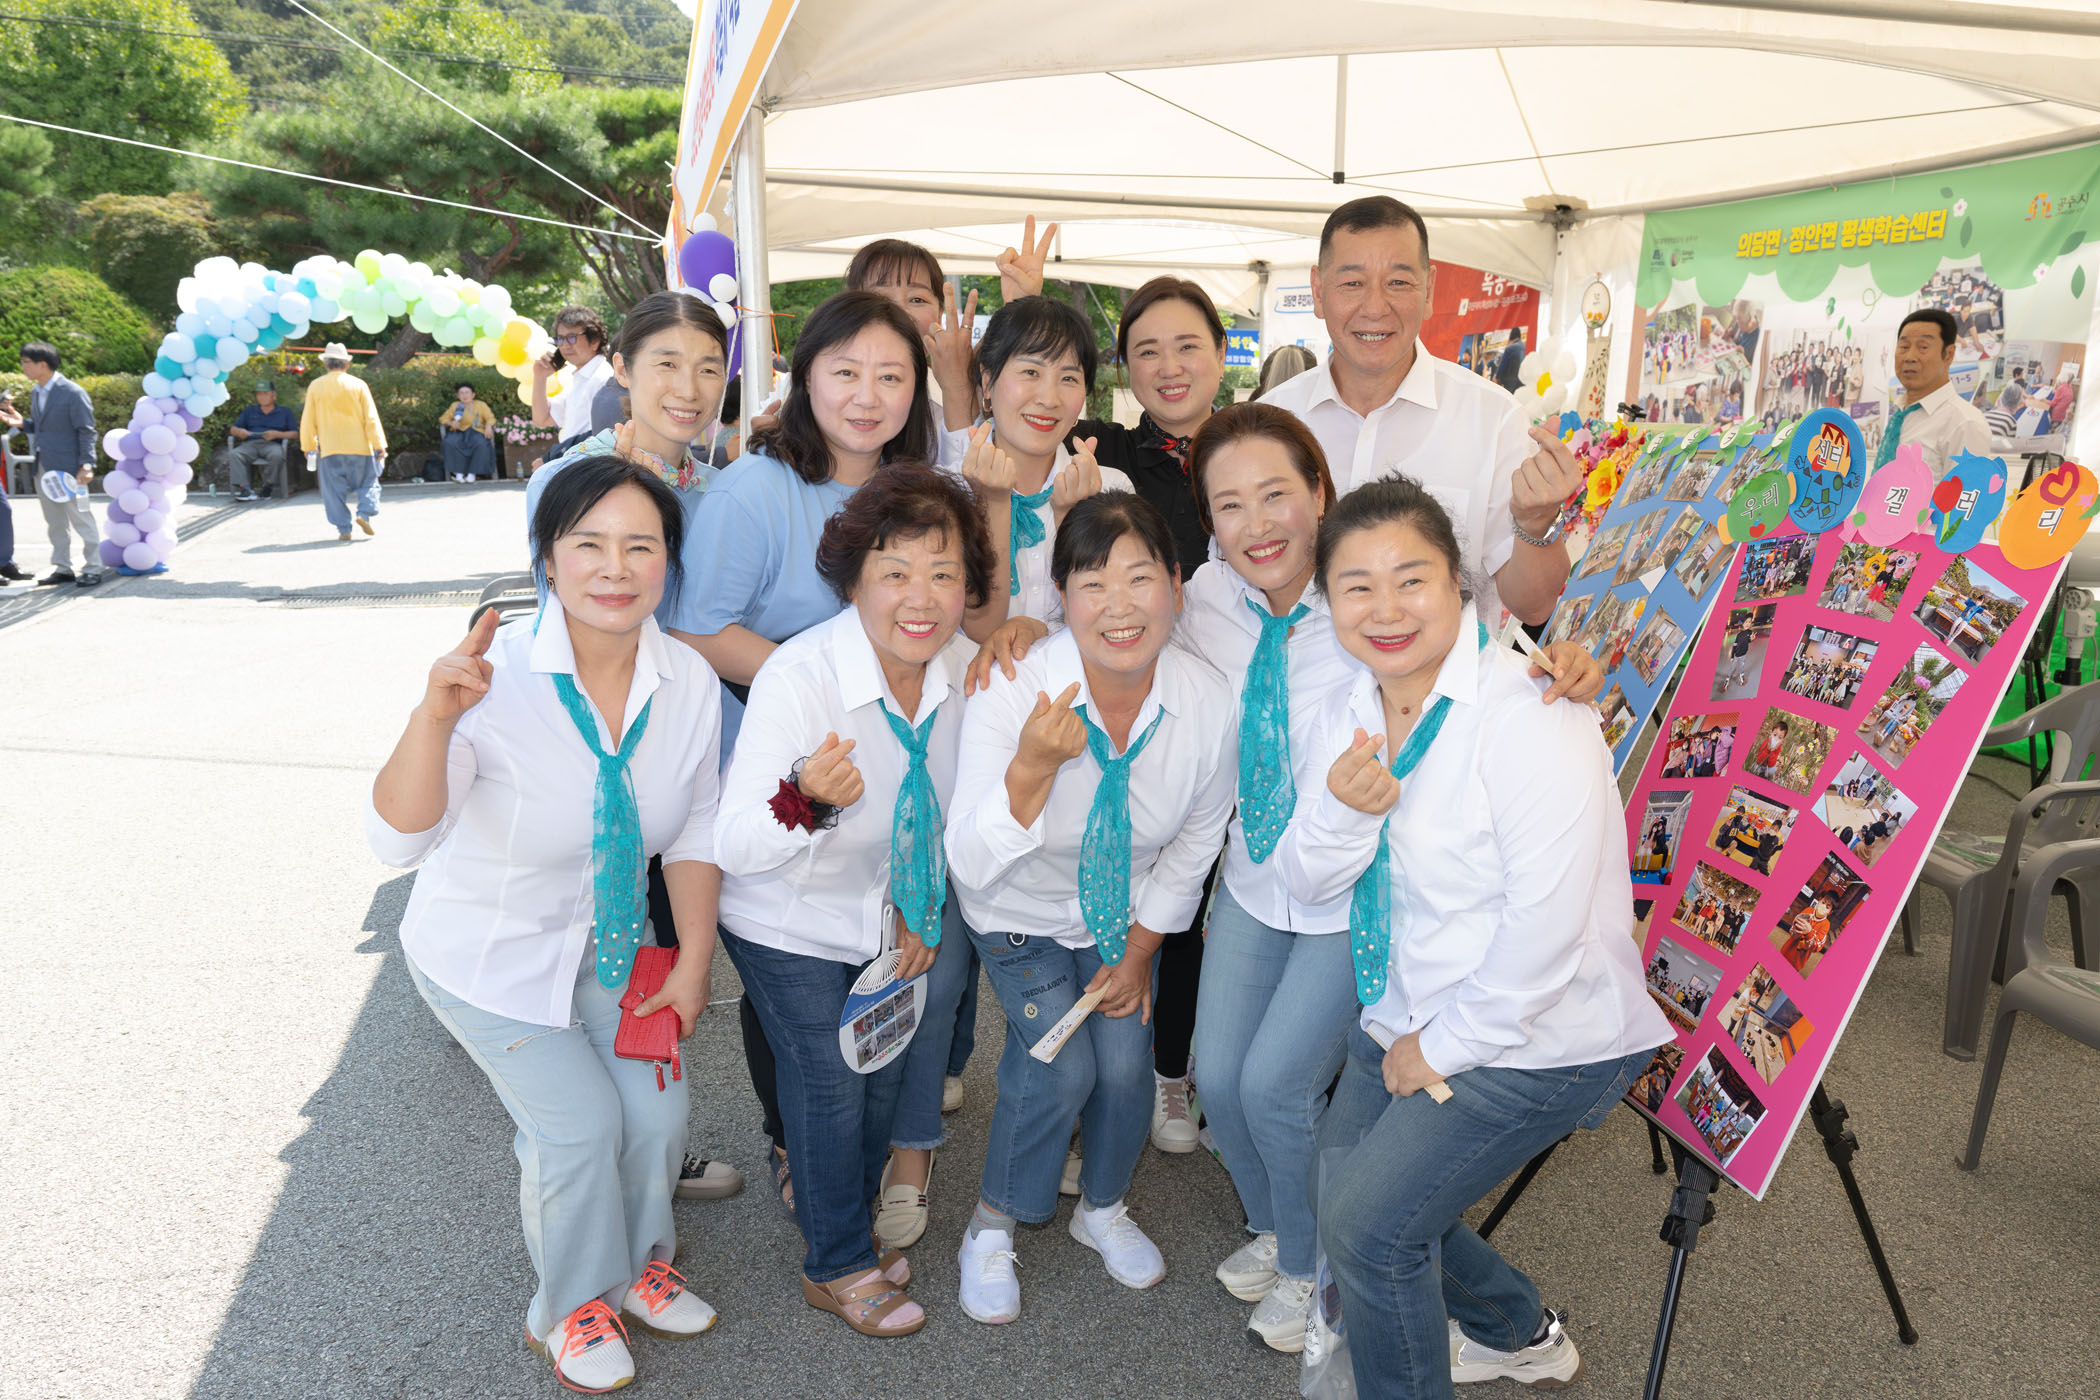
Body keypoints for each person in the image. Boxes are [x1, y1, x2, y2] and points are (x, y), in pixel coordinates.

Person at [1274, 474, 1673, 1399]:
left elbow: (1548, 931)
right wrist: (1342, 814)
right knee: (1344, 1192)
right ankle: (1516, 1331)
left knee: (1370, 1229)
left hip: (1545, 1032)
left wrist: (1440, 1049)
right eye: (1357, 587)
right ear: (1327, 602)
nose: (1386, 610)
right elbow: (1305, 881)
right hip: (1410, 1004)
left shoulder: (1531, 712)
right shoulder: (1350, 709)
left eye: (1411, 579)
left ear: (1458, 583)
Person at [366, 455, 725, 1393]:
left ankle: (638, 1265)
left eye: (641, 545)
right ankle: (569, 1308)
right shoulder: (497, 677)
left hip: (611, 946)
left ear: (668, 561)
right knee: (577, 1130)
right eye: (588, 544)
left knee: (657, 1117)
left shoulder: (687, 679)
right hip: (488, 959)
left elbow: (695, 827)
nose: (615, 568)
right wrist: (433, 719)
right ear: (548, 558)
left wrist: (692, 961)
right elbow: (397, 841)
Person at [669, 290, 994, 1222]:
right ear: (803, 377)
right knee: (800, 995)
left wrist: (913, 668)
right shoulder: (754, 489)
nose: (867, 395)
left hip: (886, 752)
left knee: (881, 972)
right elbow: (694, 628)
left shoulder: (919, 484)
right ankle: (799, 1148)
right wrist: (832, 682)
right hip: (773, 746)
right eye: (845, 372)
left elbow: (966, 608)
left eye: (892, 376)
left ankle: (859, 1150)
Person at [712, 467, 994, 1336]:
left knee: (883, 1072)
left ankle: (847, 1221)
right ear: (852, 580)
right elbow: (736, 845)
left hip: (887, 916)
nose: (921, 596)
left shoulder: (966, 673)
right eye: (894, 571)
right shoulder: (800, 675)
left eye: (943, 573)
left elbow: (954, 814)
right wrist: (807, 798)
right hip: (784, 914)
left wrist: (918, 903)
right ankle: (834, 1264)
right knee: (830, 1080)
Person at [945, 492, 1236, 1325]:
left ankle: (1101, 1206)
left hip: (1122, 915)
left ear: (1175, 585)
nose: (1119, 606)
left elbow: (1197, 843)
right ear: (1061, 599)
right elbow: (969, 857)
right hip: (1015, 910)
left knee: (1124, 1064)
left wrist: (1139, 954)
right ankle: (991, 1224)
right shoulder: (1014, 687)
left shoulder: (1207, 701)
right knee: (1059, 1064)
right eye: (1093, 584)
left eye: (1140, 578)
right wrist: (1032, 769)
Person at [1258, 196, 1587, 630]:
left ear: (1429, 291)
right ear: (1318, 291)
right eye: (1352, 283)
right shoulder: (1269, 424)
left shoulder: (1493, 419)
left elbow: (1533, 607)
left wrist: (1537, 523)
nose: (1375, 307)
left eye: (1398, 282)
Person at [1074, 276, 1230, 578]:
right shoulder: (1092, 451)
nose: (1170, 369)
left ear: (1220, 354)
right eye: (1148, 352)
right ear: (1127, 365)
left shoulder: (1259, 457)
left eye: (1187, 346)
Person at [1, 342, 101, 586]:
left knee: (81, 518)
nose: (23, 367)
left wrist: (87, 464)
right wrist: (21, 423)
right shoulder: (37, 391)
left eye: (26, 362)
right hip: (43, 467)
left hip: (71, 468)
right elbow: (41, 426)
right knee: (55, 521)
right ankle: (63, 567)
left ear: (42, 364)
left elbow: (87, 431)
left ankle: (94, 567)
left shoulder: (73, 392)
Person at [1878, 308, 1992, 477]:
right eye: (1904, 346)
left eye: (1923, 347)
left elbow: (1967, 492)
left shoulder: (1964, 423)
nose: (1910, 357)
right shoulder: (1900, 414)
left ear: (1949, 354)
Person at [298, 342, 386, 542]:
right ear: (346, 364)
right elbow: (371, 417)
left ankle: (343, 528)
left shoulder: (316, 386)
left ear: (326, 364)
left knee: (332, 492)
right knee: (368, 483)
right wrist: (378, 444)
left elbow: (308, 419)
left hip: (330, 448)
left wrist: (308, 446)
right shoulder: (358, 384)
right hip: (360, 447)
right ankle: (364, 514)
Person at [533, 305, 617, 453]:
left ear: (594, 341)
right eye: (560, 339)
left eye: (572, 338)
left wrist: (551, 458)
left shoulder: (603, 378)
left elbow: (603, 437)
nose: (565, 345)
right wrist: (540, 378)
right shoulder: (580, 378)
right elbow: (542, 419)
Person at [226, 379, 297, 502]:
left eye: (265, 393)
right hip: (251, 444)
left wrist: (277, 434)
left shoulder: (284, 412)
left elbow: (295, 434)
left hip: (272, 444)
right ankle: (245, 489)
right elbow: (233, 429)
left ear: (274, 395)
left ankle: (268, 486)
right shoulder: (250, 410)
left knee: (277, 455)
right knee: (235, 454)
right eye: (259, 394)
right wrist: (239, 432)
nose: (261, 397)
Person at [438, 382, 498, 482]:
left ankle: (472, 474)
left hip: (476, 431)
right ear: (458, 396)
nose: (464, 395)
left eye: (467, 392)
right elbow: (443, 418)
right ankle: (459, 474)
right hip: (459, 431)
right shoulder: (455, 405)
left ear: (473, 395)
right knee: (449, 442)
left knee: (481, 443)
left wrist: (488, 426)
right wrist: (451, 423)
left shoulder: (481, 405)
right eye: (461, 393)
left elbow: (491, 418)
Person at [1492, 327, 1525, 393]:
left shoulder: (1510, 348)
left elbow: (1501, 368)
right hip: (1521, 385)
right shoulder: (1523, 348)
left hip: (1510, 386)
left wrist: (1497, 377)